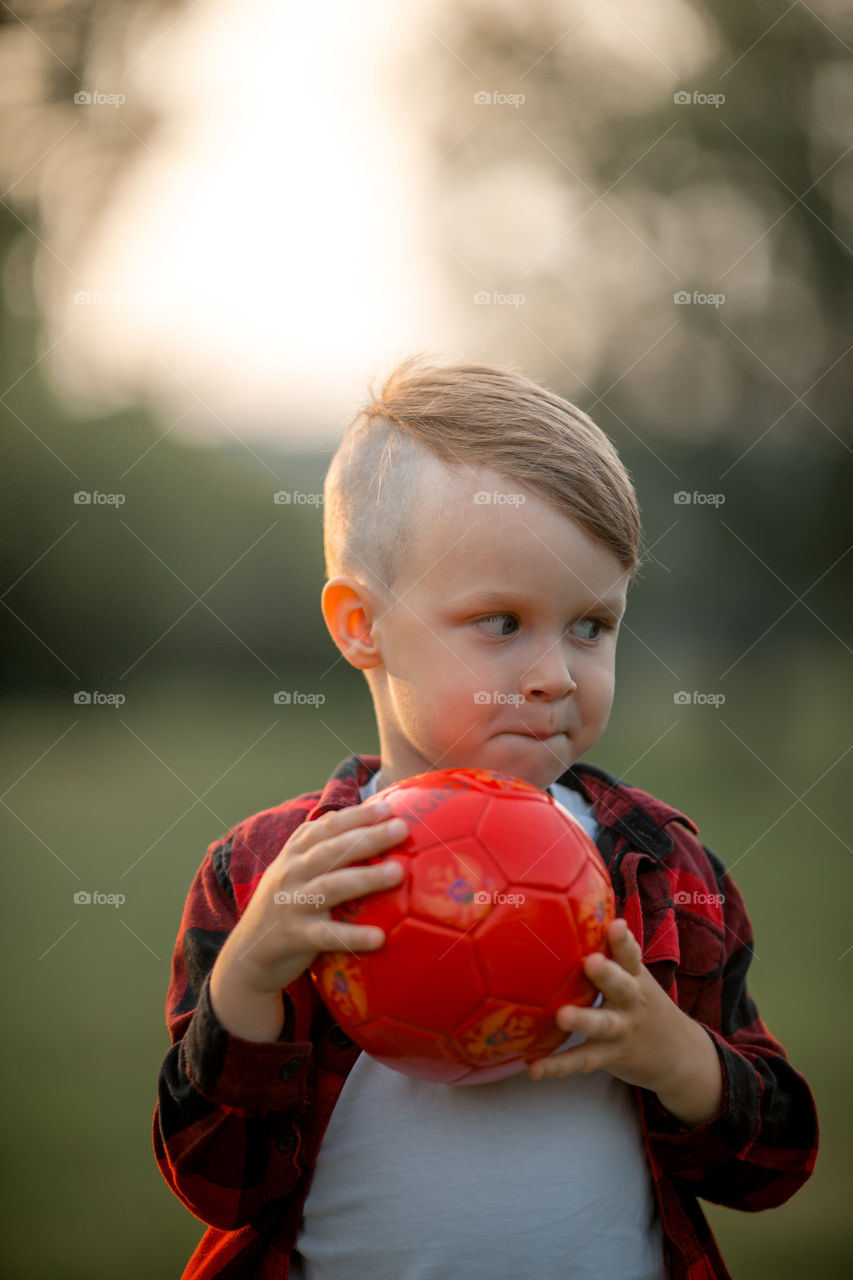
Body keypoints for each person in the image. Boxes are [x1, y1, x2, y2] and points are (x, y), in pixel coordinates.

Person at [154, 358, 818, 1280]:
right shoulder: (274, 874)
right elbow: (216, 1186)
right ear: (361, 625)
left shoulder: (661, 867)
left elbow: (774, 1165)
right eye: (501, 622)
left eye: (591, 625)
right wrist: (247, 985)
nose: (553, 672)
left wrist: (678, 1060)